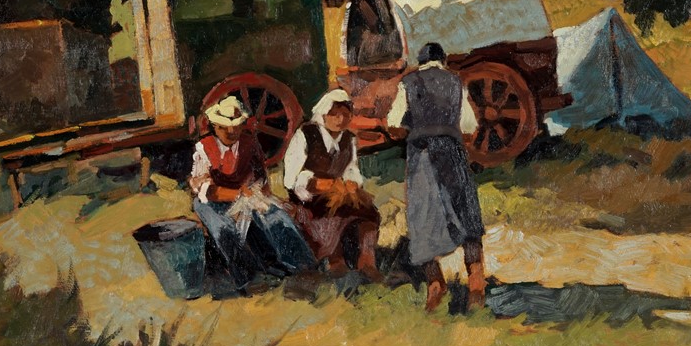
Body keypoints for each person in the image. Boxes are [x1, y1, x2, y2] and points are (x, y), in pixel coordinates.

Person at [386, 42, 487, 312]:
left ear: (420, 62)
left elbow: (393, 124)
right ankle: (476, 282)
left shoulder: (408, 83)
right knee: (465, 211)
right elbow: (469, 126)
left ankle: (435, 284)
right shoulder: (455, 82)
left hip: (422, 155)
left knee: (424, 216)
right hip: (452, 152)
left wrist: (414, 130)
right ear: (443, 61)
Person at [188, 95, 315, 295]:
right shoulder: (204, 147)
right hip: (212, 201)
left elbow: (261, 176)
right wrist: (238, 194)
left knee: (276, 217)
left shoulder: (249, 143)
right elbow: (205, 190)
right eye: (224, 127)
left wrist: (258, 193)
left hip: (246, 196)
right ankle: (246, 278)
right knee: (224, 229)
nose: (231, 132)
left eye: (235, 127)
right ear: (215, 127)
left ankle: (295, 264)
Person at [283, 89, 383, 281]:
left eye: (345, 115)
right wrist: (313, 182)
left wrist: (352, 184)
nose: (340, 119)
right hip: (309, 199)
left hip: (339, 194)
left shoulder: (348, 139)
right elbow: (290, 179)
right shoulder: (306, 134)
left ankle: (367, 261)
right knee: (331, 214)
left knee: (368, 211)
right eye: (334, 114)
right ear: (323, 114)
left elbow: (351, 169)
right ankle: (335, 260)